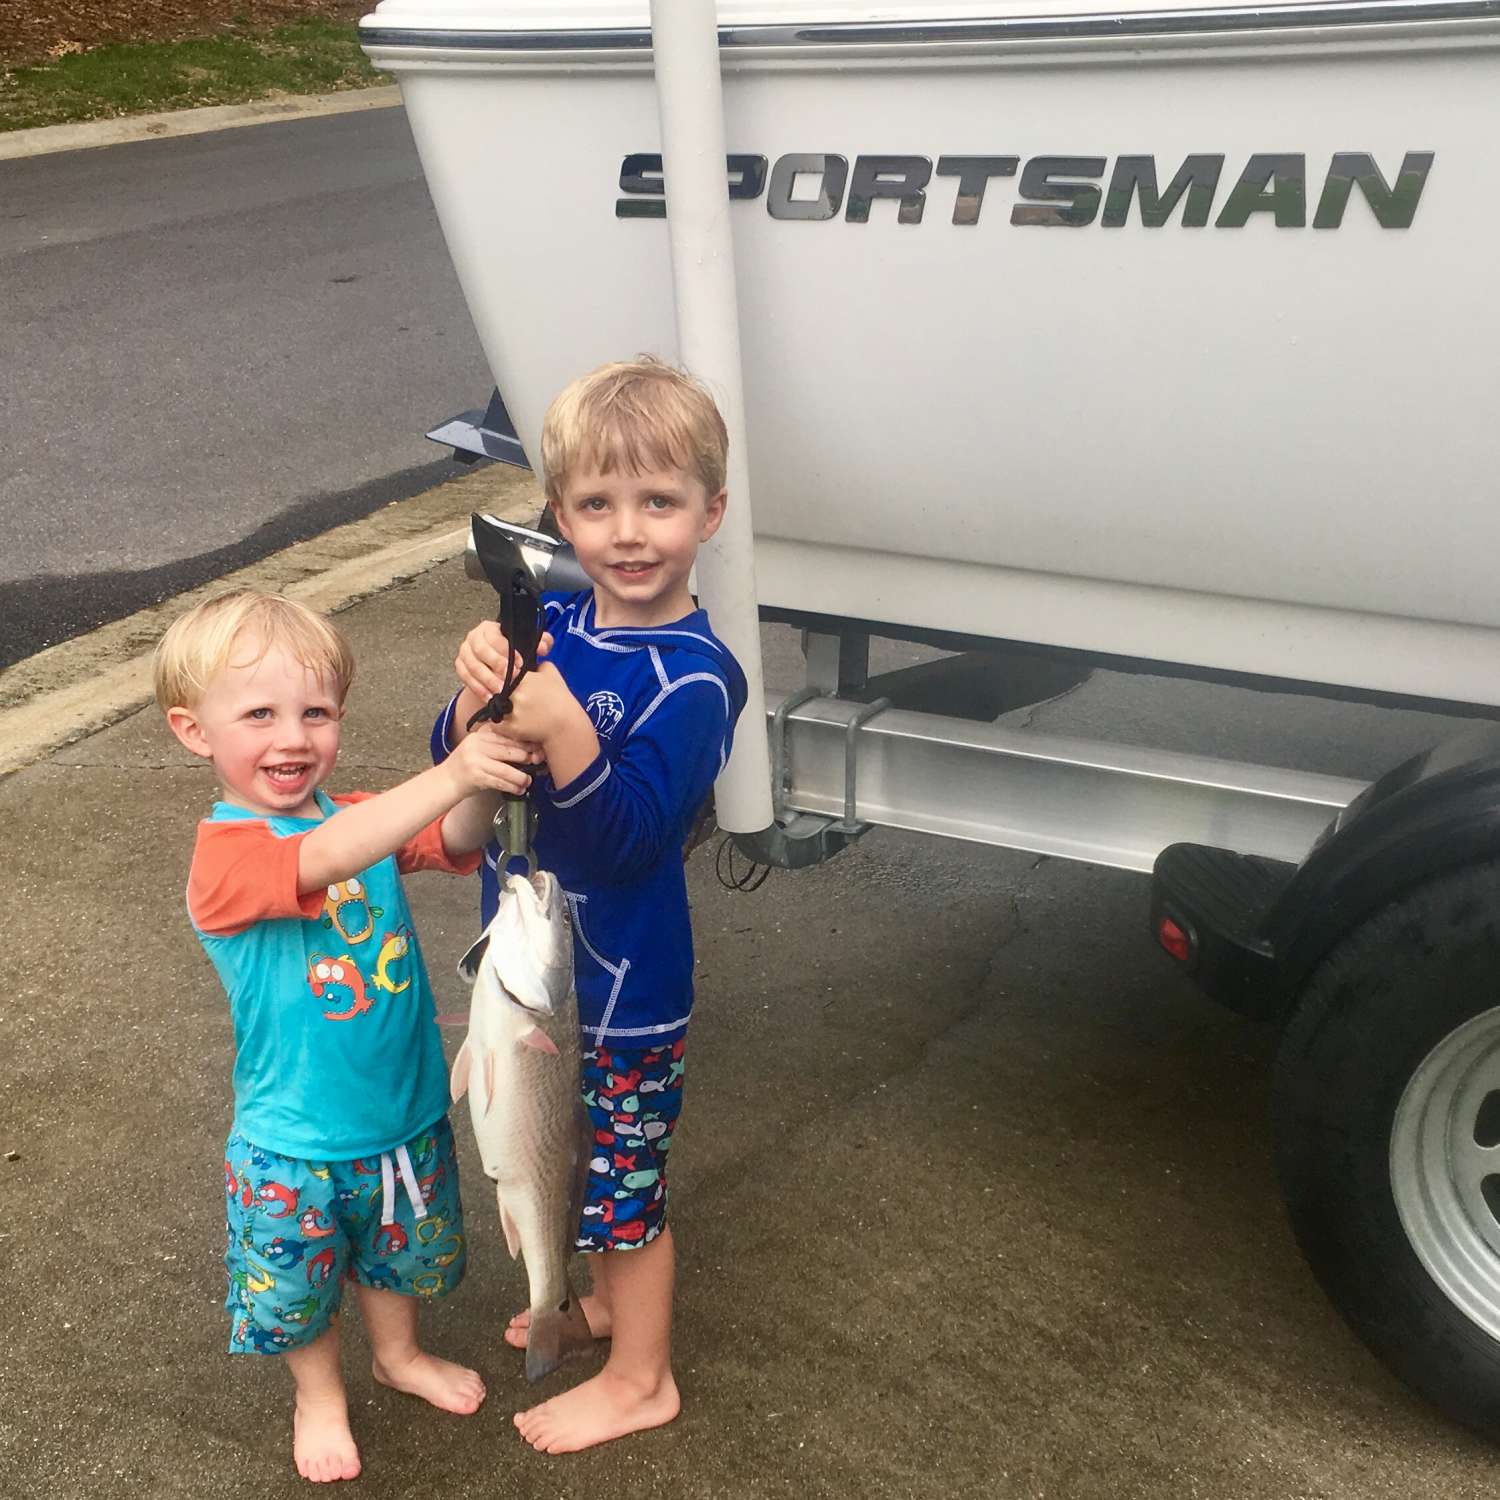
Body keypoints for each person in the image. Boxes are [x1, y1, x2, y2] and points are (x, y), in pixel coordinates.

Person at [434, 356, 748, 1454]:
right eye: (597, 504)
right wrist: (477, 697)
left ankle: (641, 1376)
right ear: (560, 513)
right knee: (563, 1165)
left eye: (659, 502)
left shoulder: (697, 678)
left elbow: (630, 840)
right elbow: (468, 762)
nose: (627, 531)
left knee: (625, 1193)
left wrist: (564, 728)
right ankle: (598, 1306)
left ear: (710, 510)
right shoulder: (557, 623)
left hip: (623, 1000)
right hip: (532, 981)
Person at [154, 589, 536, 1485]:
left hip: (401, 1118)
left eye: (315, 712)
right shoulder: (226, 855)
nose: (293, 737)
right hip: (292, 1144)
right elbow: (322, 861)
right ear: (193, 730)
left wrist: (484, 774)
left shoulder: (352, 812)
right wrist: (450, 770)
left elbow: (450, 835)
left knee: (395, 1254)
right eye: (259, 714)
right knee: (298, 1290)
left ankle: (397, 1356)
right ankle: (318, 1394)